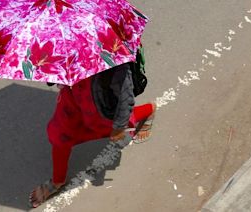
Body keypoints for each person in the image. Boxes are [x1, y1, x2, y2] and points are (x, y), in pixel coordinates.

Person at [29, 62, 156, 208]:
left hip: (97, 106)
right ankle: (58, 180)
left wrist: (119, 127)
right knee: (60, 134)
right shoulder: (67, 44)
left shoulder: (114, 63)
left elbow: (125, 98)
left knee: (112, 127)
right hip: (72, 98)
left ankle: (148, 110)